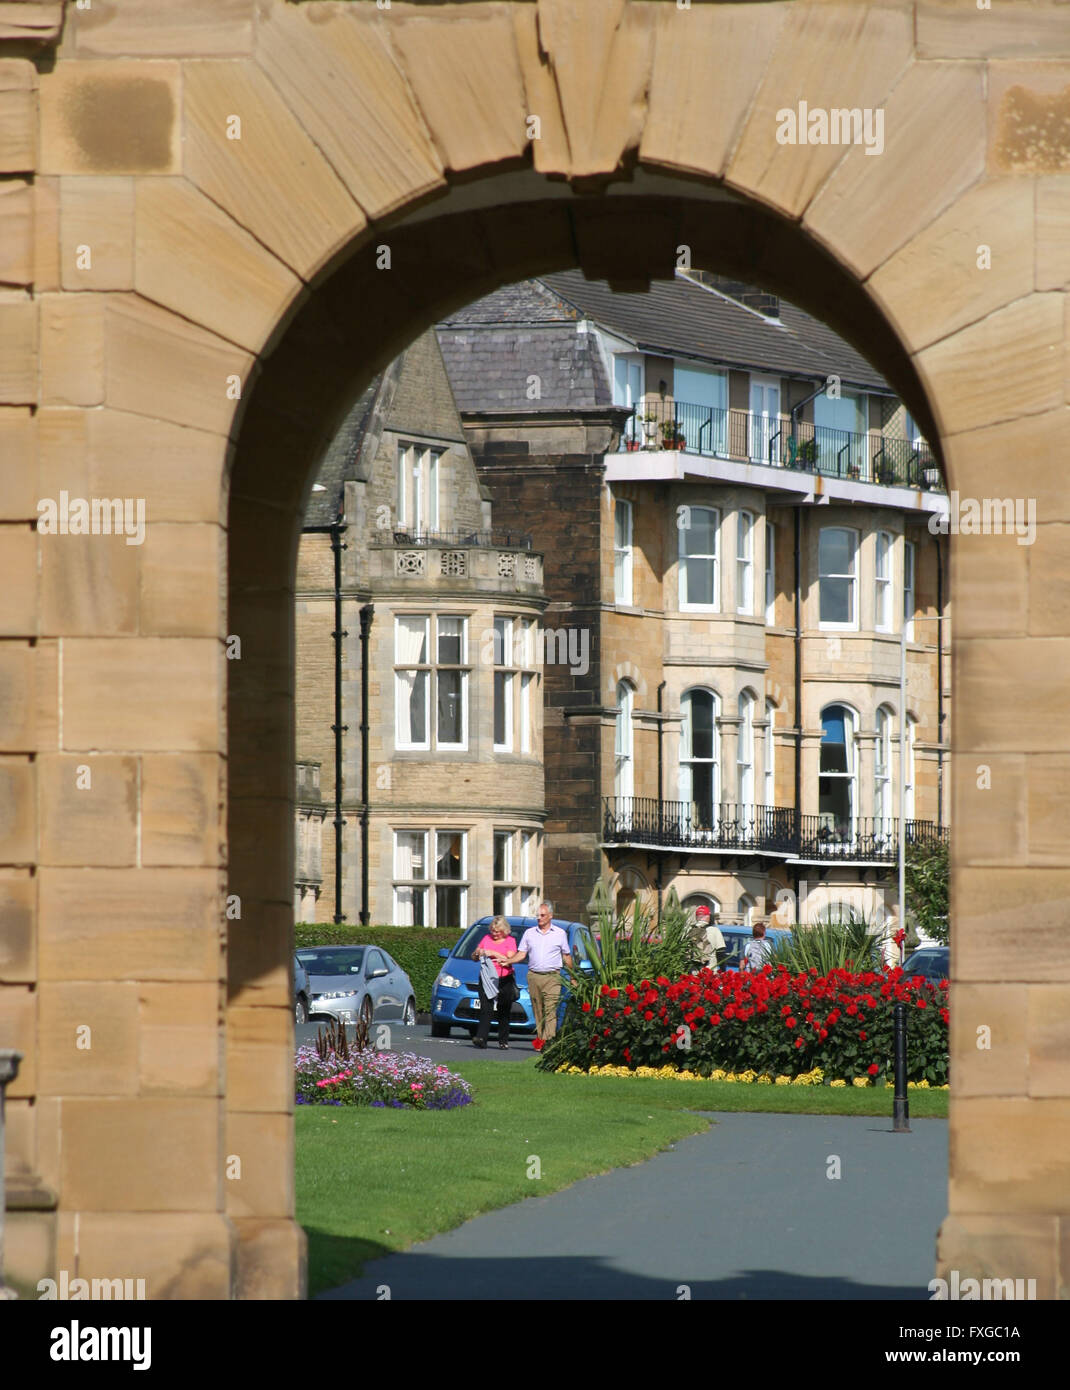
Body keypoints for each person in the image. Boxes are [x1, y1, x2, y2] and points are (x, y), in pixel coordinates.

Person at [501, 899, 573, 1050]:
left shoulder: (559, 934)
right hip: (534, 976)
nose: (539, 918)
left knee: (550, 1010)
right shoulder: (529, 933)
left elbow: (566, 956)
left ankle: (549, 1041)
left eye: (542, 915)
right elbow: (521, 954)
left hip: (553, 977)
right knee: (538, 1010)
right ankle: (540, 1039)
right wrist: (508, 961)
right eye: (538, 915)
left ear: (550, 916)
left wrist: (573, 976)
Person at [471, 915, 518, 1049]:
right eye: (492, 931)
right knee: (486, 1008)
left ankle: (503, 1040)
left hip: (504, 978)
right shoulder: (486, 939)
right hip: (487, 978)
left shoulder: (510, 941)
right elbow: (474, 956)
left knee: (504, 1010)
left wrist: (492, 952)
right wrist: (478, 953)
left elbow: (510, 957)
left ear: (504, 930)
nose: (495, 934)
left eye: (498, 931)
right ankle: (481, 1038)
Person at [687, 903, 726, 973]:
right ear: (708, 916)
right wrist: (723, 970)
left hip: (693, 971)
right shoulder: (714, 930)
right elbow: (721, 952)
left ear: (697, 917)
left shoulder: (690, 930)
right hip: (709, 971)